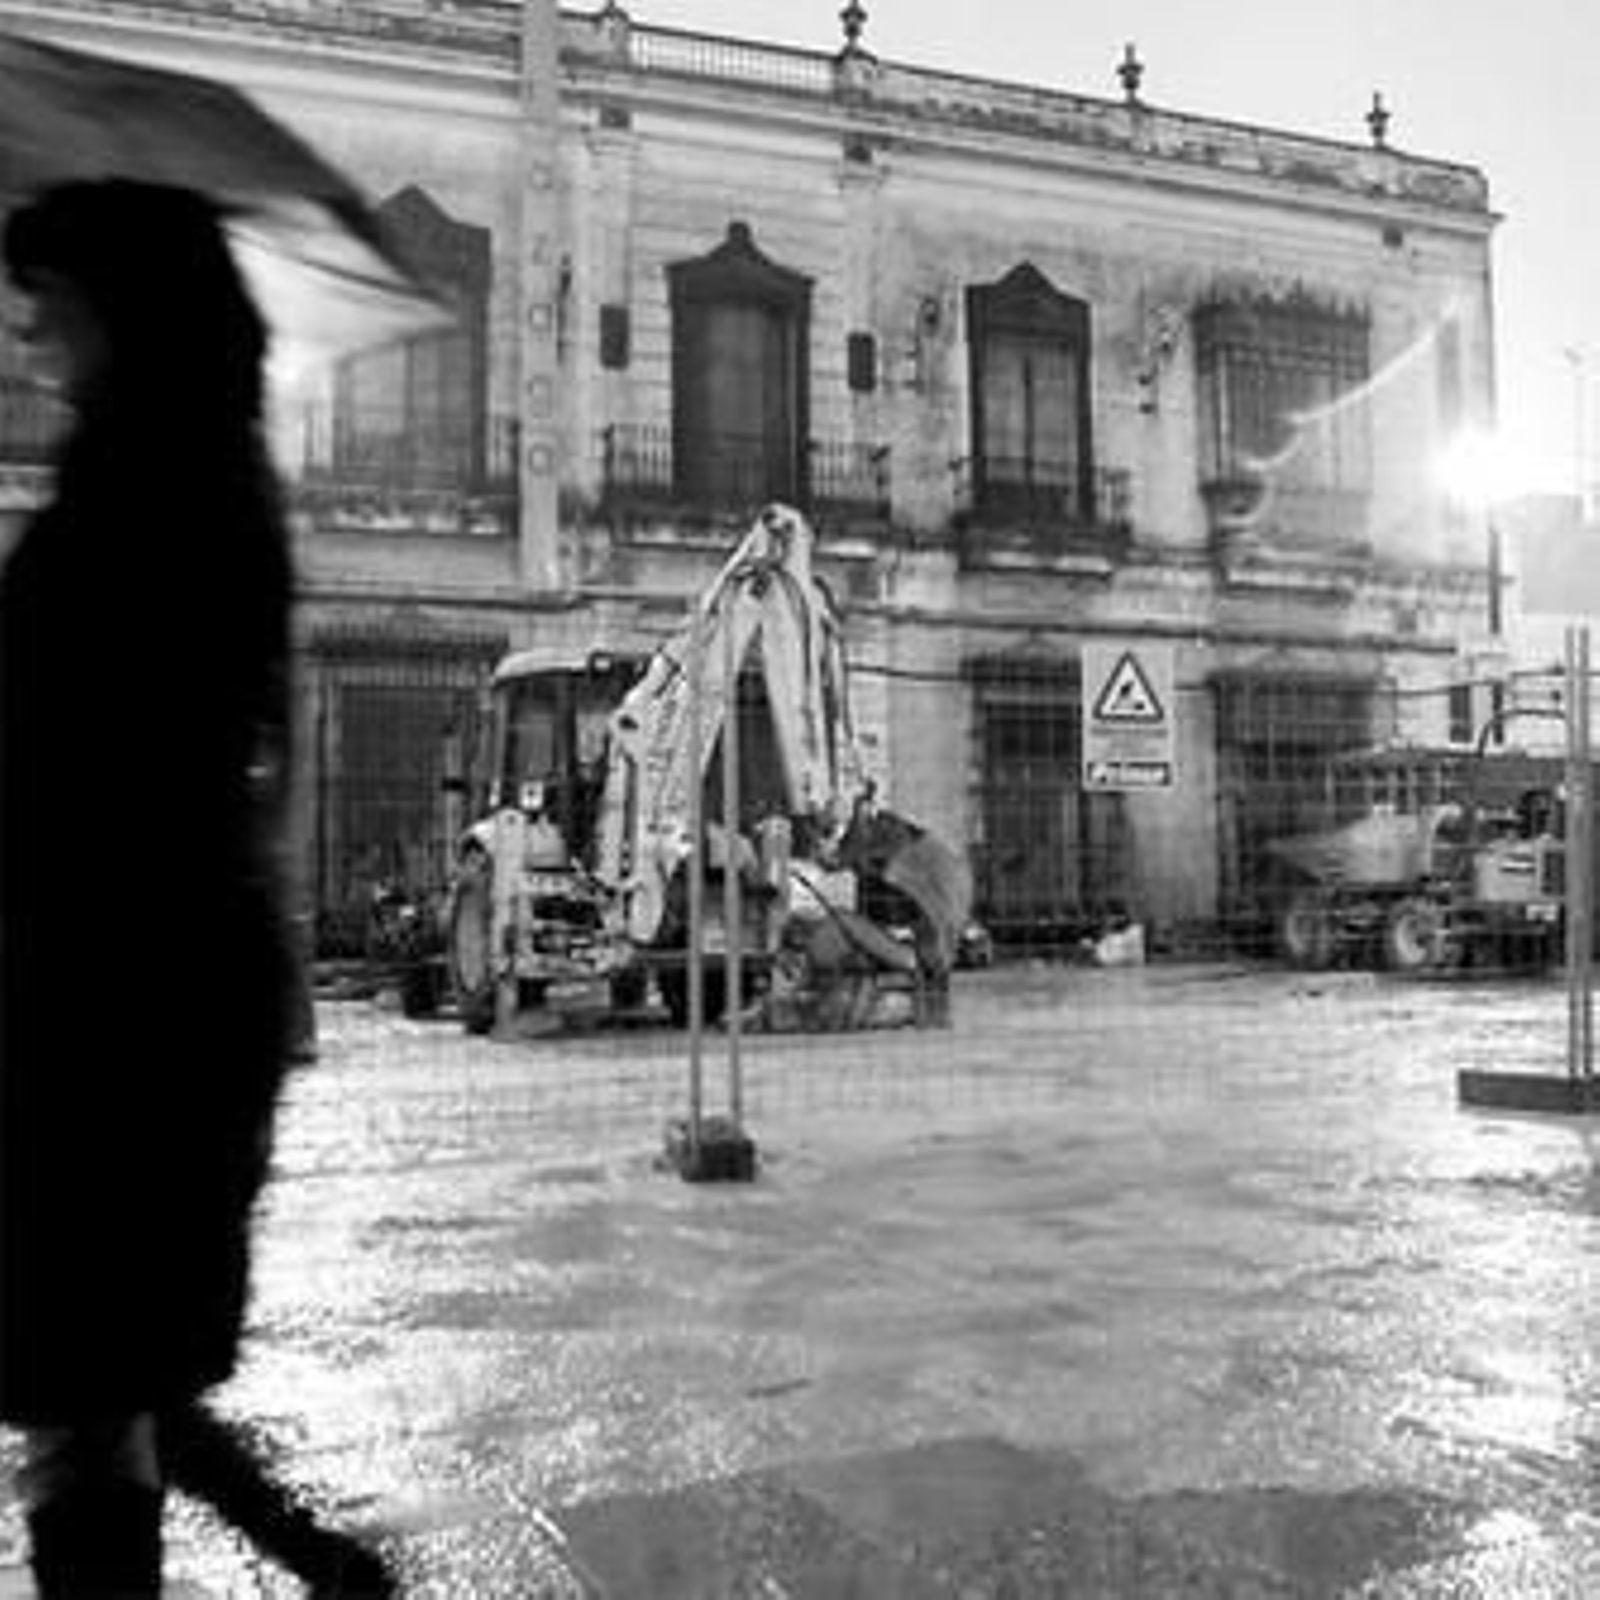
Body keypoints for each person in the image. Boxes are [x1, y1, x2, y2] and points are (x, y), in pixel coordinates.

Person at [0, 181, 393, 1595]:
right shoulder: (199, 475)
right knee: (100, 1373)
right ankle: (321, 1559)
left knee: (86, 1375)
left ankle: (321, 1559)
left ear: (125, 307)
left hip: (118, 986)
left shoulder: (142, 495)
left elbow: (81, 750)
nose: (30, 327)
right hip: (152, 978)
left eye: (50, 297)